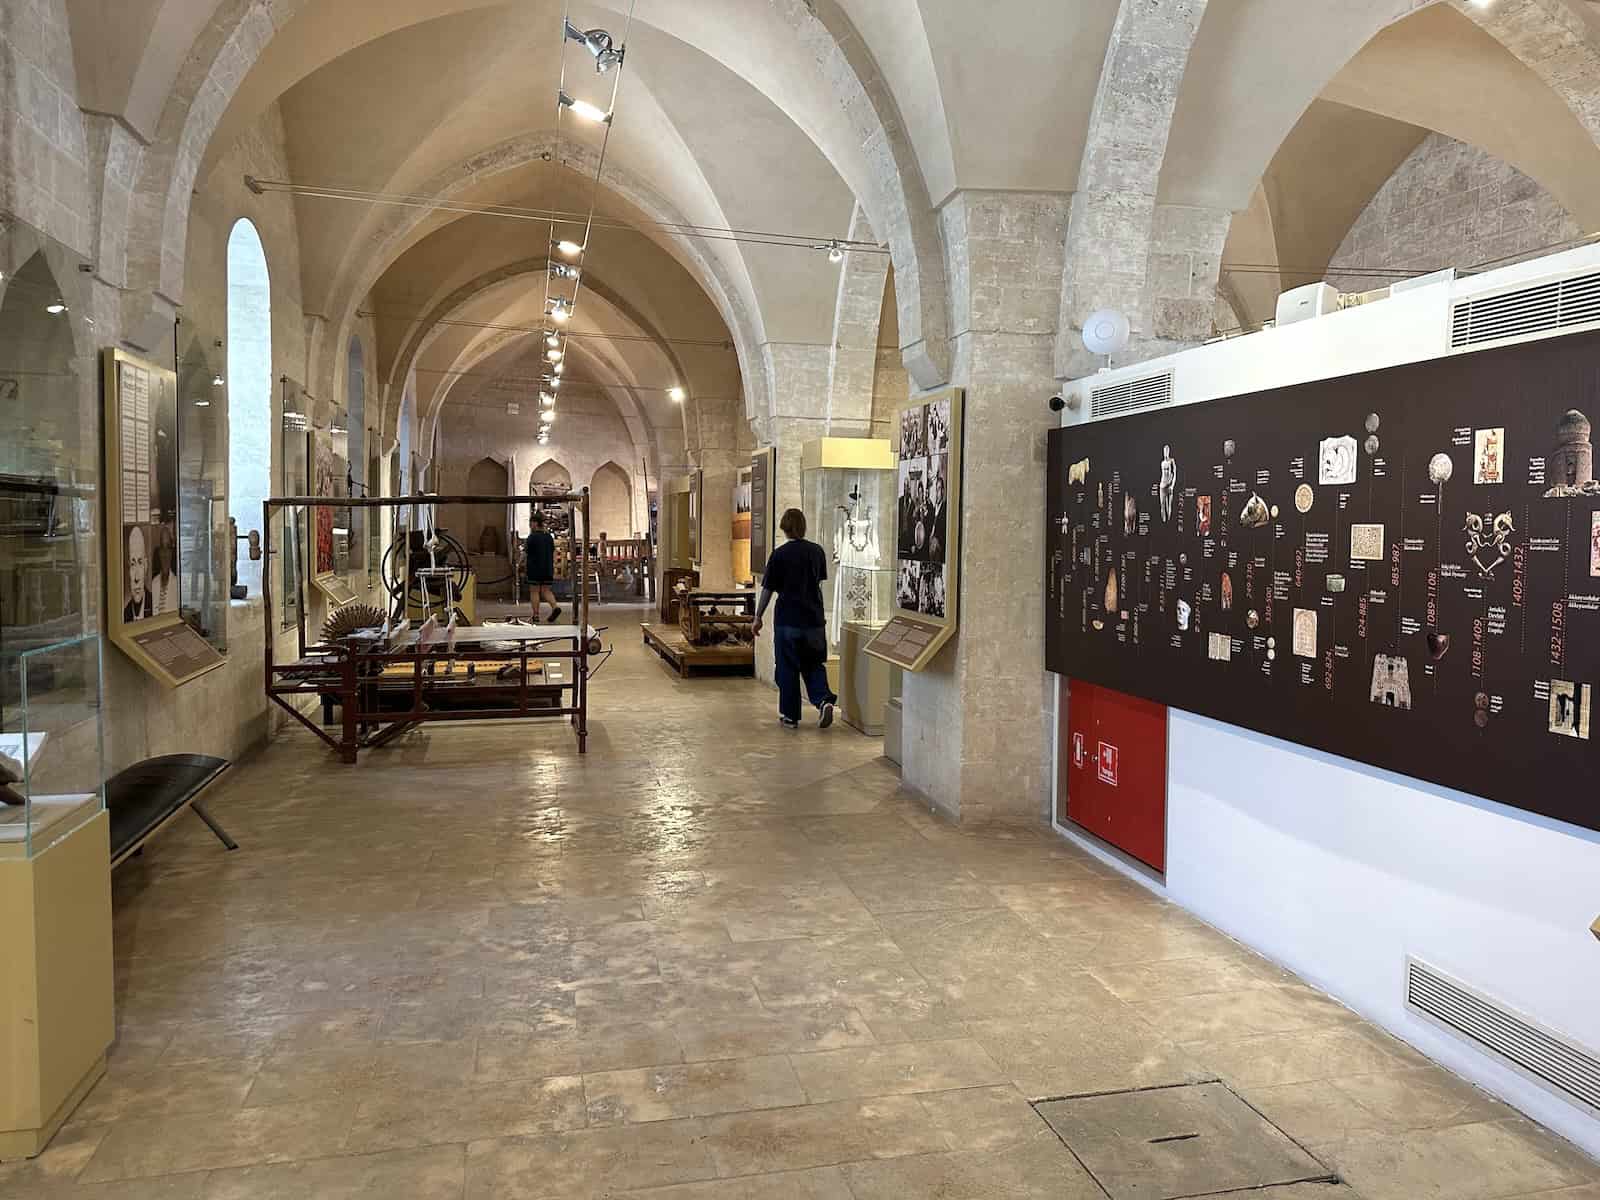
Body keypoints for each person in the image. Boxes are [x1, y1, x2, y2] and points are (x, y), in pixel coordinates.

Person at [752, 507, 837, 729]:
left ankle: (790, 715)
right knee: (814, 665)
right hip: (814, 620)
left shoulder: (779, 555)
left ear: (785, 527)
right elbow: (817, 583)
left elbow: (768, 589)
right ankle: (823, 700)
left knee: (787, 667)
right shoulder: (817, 551)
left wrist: (757, 616)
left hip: (788, 619)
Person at [524, 512, 561, 623]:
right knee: (546, 590)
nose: (530, 525)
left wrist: (518, 564)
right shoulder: (548, 537)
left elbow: (525, 553)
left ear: (535, 523)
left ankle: (535, 615)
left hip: (534, 568)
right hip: (547, 568)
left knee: (534, 591)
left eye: (531, 523)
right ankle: (555, 607)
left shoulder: (532, 537)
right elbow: (553, 552)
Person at [123, 524, 153, 622]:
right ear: (128, 570)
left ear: (146, 566)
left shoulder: (155, 605)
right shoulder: (124, 614)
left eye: (140, 563)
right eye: (132, 564)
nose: (136, 577)